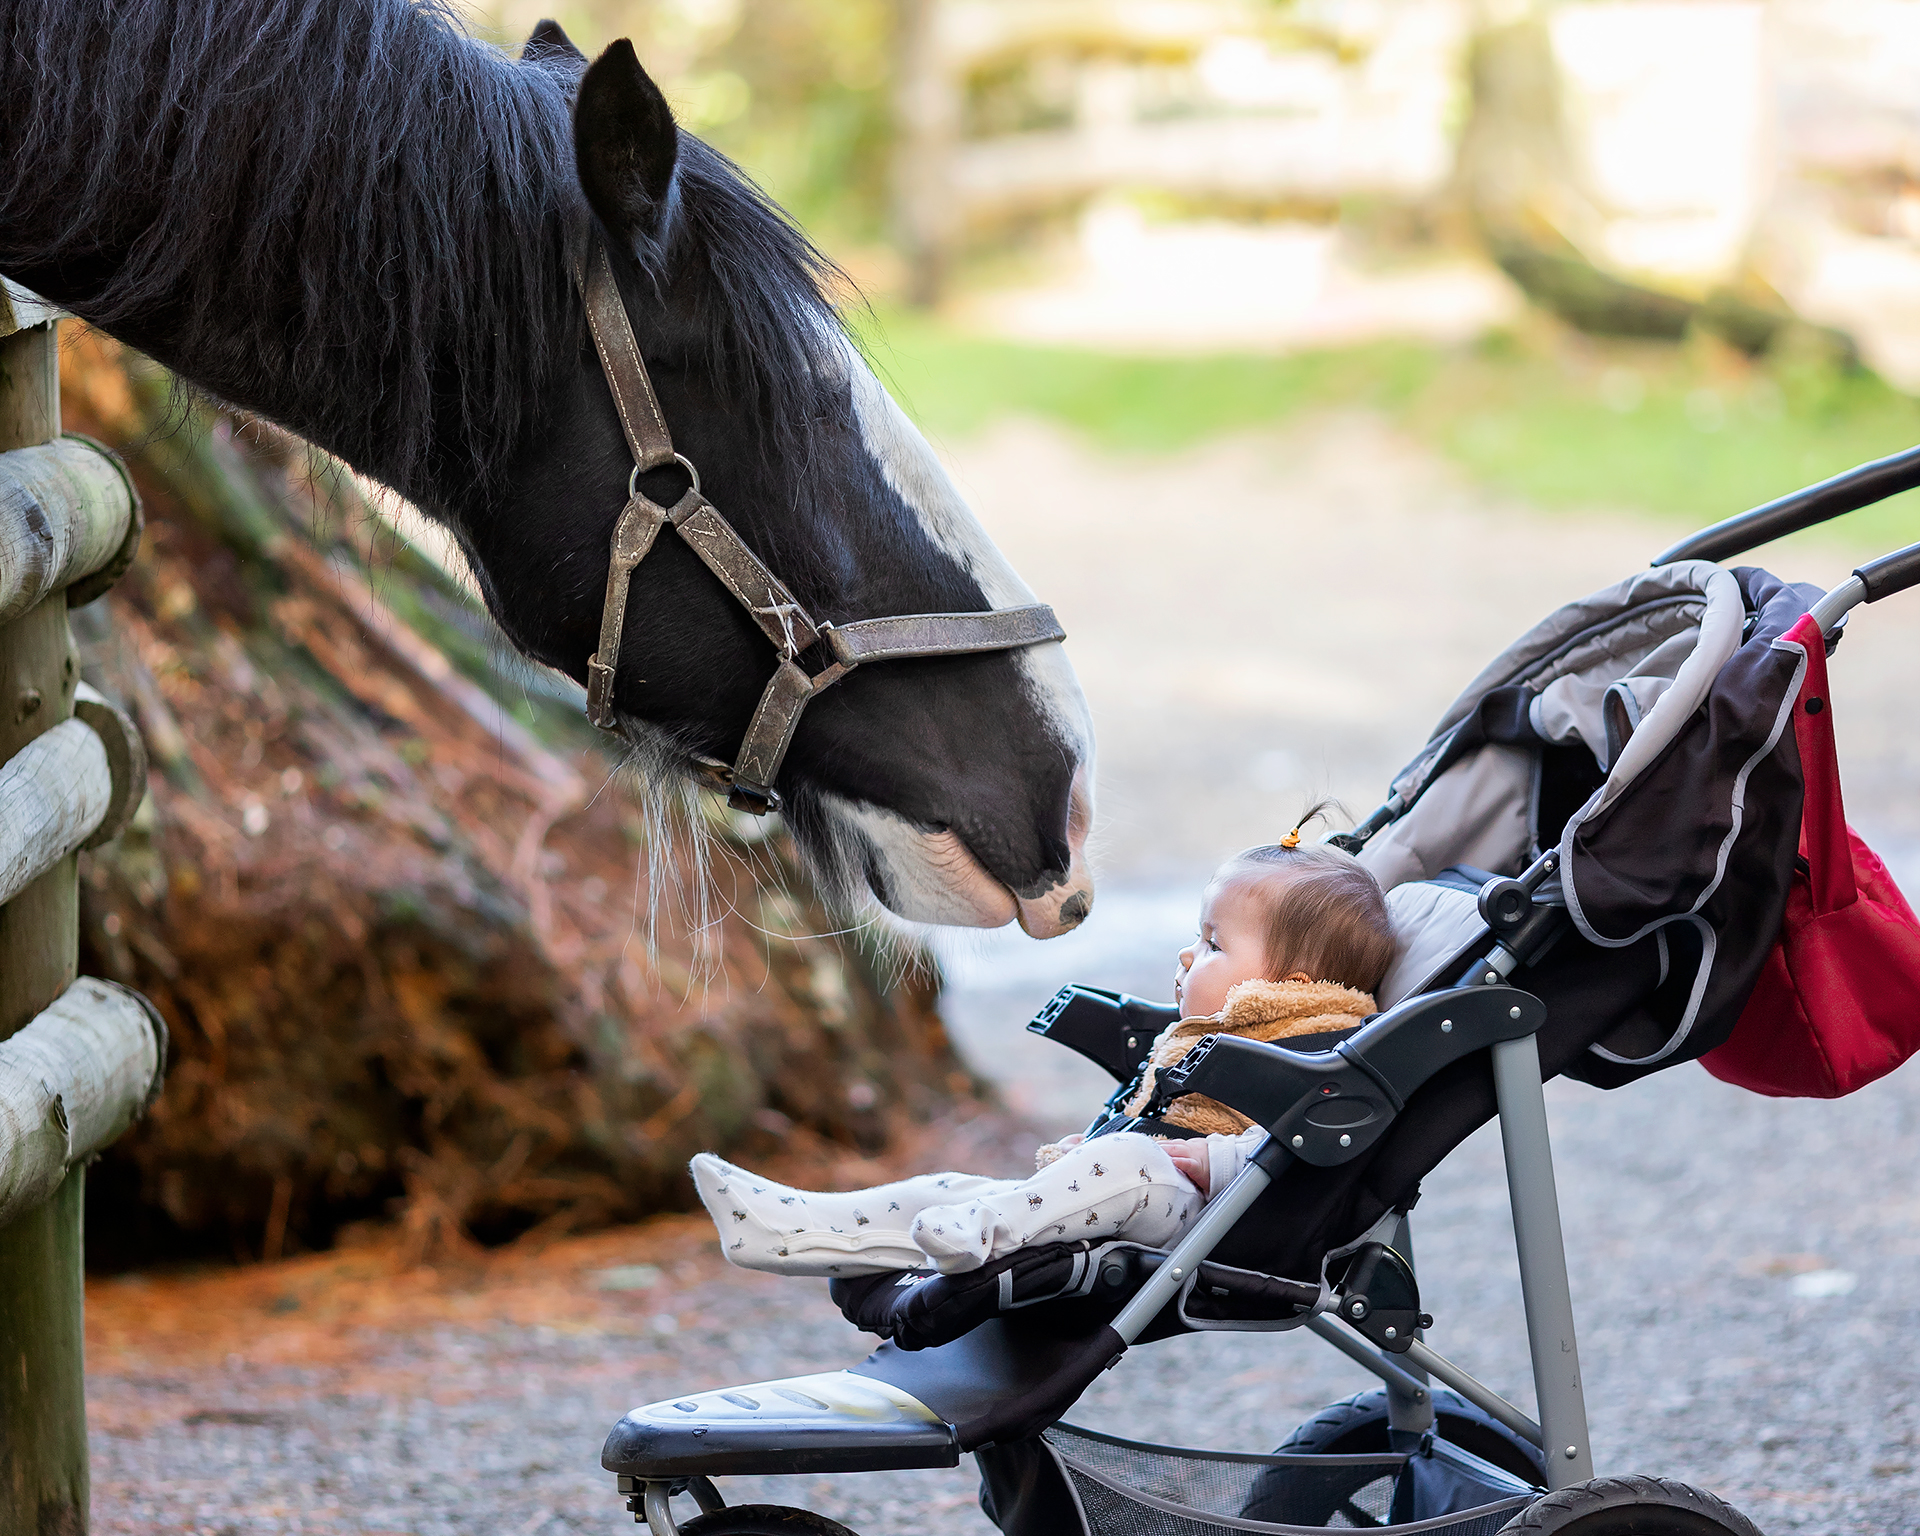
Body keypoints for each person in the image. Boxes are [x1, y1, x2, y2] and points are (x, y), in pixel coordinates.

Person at [690, 813, 1398, 1278]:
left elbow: (1312, 1146)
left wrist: (1215, 1160)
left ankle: (980, 1235)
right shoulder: (1229, 1030)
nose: (1188, 956)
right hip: (1152, 1193)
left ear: (1288, 985)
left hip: (1214, 1218)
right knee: (950, 1191)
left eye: (1213, 945)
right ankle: (792, 1230)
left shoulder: (1318, 1044)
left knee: (1122, 1164)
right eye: (1196, 938)